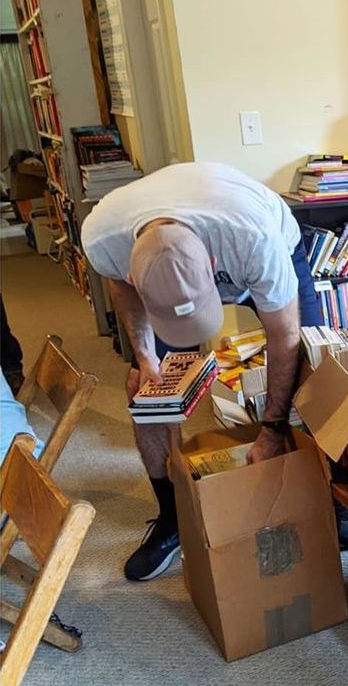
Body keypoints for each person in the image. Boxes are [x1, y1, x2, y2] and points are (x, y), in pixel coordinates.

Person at [81, 161, 332, 582]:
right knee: (145, 391)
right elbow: (120, 289)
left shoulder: (255, 240)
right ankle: (172, 515)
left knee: (313, 369)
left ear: (215, 263)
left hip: (261, 236)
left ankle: (325, 495)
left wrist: (271, 430)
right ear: (131, 269)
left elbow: (284, 338)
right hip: (169, 248)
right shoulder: (104, 236)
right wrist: (144, 355)